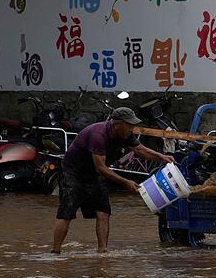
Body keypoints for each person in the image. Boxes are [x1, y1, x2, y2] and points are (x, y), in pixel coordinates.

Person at [51, 107, 175, 254]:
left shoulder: (125, 134)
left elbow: (141, 150)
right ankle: (55, 252)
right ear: (117, 124)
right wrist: (126, 182)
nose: (132, 128)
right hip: (73, 173)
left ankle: (102, 252)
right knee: (67, 213)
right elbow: (101, 168)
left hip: (94, 175)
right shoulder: (98, 135)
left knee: (103, 211)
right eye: (129, 125)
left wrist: (162, 157)